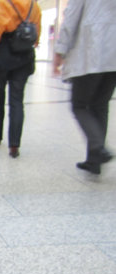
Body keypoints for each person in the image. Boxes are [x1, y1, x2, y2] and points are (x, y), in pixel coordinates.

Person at [53, 0, 116, 175]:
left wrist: (60, 50)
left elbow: (71, 17)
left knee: (79, 105)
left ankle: (98, 147)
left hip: (92, 50)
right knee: (100, 106)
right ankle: (94, 161)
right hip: (113, 56)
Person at [0, 0, 41, 158]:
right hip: (24, 55)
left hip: (2, 54)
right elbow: (36, 32)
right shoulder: (33, 4)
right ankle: (14, 145)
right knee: (17, 101)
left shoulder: (0, 3)